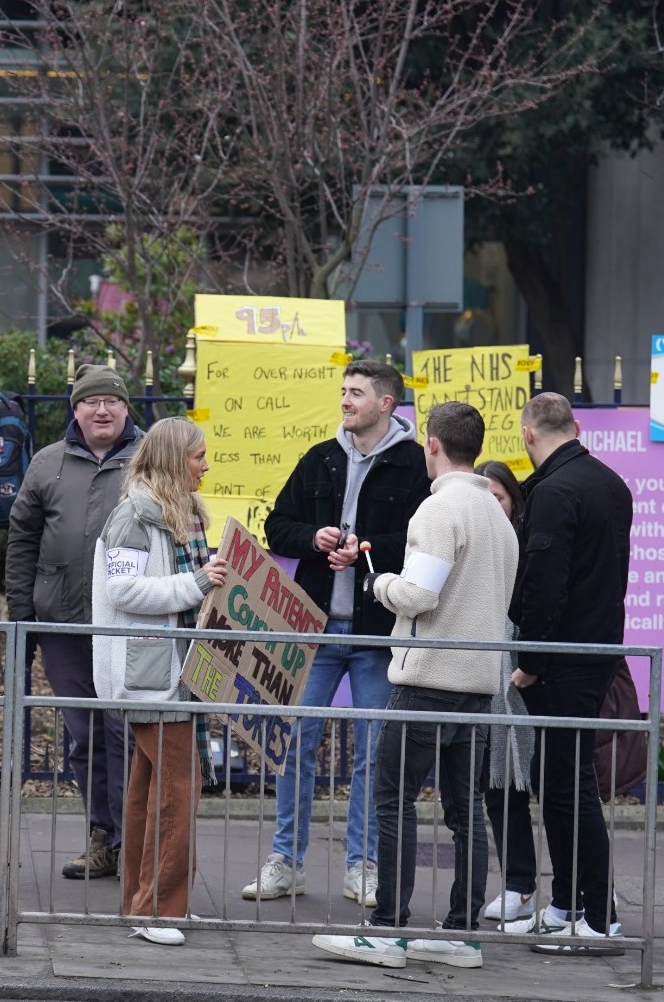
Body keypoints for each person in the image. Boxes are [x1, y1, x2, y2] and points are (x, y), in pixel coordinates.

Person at [312, 401, 518, 970]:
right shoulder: (498, 516)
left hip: (427, 679)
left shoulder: (437, 509)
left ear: (432, 445)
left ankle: (387, 928)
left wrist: (378, 583)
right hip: (478, 684)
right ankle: (460, 932)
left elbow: (420, 596)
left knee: (393, 801)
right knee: (465, 811)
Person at [249, 359, 430, 907]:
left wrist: (368, 544)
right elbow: (275, 525)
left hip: (379, 631)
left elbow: (425, 540)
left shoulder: (416, 465)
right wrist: (314, 537)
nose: (345, 401)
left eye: (356, 393)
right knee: (294, 743)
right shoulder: (319, 458)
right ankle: (286, 861)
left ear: (386, 404)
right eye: (343, 391)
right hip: (314, 628)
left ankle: (364, 865)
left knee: (372, 752)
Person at [92, 417, 227, 946]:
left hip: (167, 672)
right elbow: (123, 591)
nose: (206, 466)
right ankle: (158, 909)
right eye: (198, 457)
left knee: (150, 792)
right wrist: (198, 582)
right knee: (176, 793)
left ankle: (146, 904)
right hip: (153, 676)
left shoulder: (174, 514)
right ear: (175, 460)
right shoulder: (135, 516)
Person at [504, 392, 632, 950]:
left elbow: (544, 585)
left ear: (529, 435)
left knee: (568, 788)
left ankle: (597, 915)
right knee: (562, 785)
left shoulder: (554, 491)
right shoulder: (610, 482)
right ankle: (567, 902)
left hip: (563, 662)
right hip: (596, 652)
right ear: (574, 426)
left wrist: (529, 663)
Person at [5, 364, 141, 879]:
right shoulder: (47, 463)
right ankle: (101, 835)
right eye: (90, 402)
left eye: (110, 401)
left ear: (126, 408)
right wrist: (21, 614)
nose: (101, 410)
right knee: (86, 735)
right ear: (75, 409)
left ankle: (136, 839)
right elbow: (21, 539)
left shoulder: (149, 458)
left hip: (131, 622)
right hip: (62, 622)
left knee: (125, 731)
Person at [475, 460, 538, 923]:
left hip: (528, 680)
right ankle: (519, 885)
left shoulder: (529, 544)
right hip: (484, 683)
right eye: (482, 498)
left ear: (513, 501)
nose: (489, 506)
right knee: (499, 788)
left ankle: (586, 894)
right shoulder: (467, 544)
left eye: (497, 496)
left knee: (555, 790)